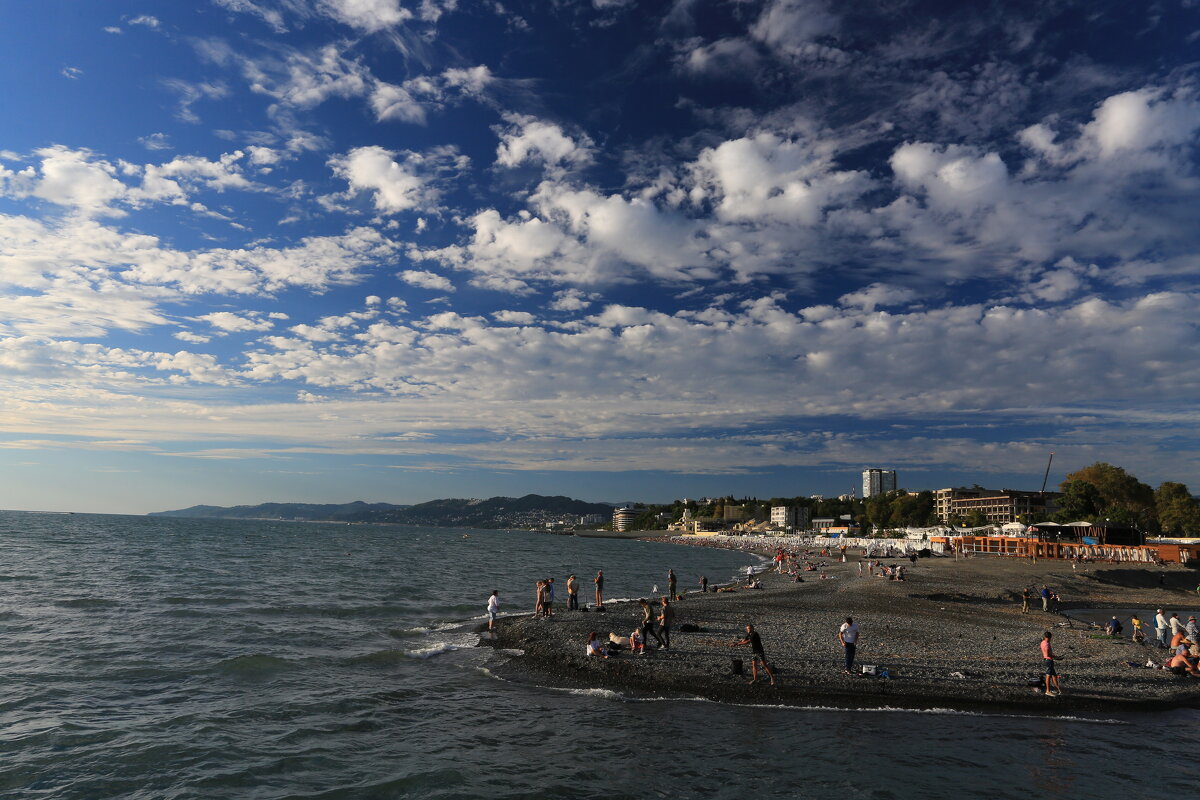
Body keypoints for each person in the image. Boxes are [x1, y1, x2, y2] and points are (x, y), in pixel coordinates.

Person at [1041, 631, 1063, 696]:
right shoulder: (1047, 645)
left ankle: (1058, 690)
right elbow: (1048, 654)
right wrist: (1057, 658)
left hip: (1048, 660)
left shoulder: (1043, 642)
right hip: (1048, 661)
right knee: (1048, 676)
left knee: (1054, 676)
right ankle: (1048, 691)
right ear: (1050, 637)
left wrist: (1056, 657)